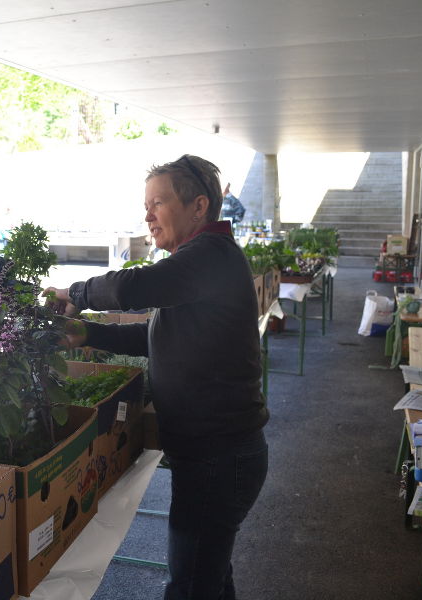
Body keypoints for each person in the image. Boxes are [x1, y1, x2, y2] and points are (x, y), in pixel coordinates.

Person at [46, 154, 268, 600]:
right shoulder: (199, 265)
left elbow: (130, 288)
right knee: (209, 578)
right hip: (214, 453)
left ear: (199, 206)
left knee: (189, 587)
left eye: (158, 203)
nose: (147, 216)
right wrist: (87, 332)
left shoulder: (209, 255)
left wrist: (74, 293)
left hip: (218, 457)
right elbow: (155, 337)